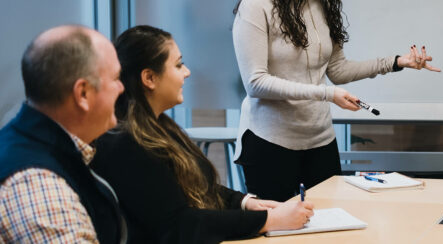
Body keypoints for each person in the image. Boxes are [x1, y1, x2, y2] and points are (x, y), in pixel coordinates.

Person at [232, 0, 441, 201]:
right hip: (270, 143)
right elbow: (256, 83)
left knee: (331, 225)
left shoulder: (320, 4)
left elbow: (338, 70)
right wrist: (328, 94)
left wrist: (396, 62)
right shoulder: (256, 4)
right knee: (277, 232)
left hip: (320, 141)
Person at [92, 25, 313, 244]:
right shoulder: (126, 143)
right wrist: (268, 220)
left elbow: (197, 184)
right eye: (178, 65)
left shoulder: (158, 126)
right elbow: (180, 224)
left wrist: (245, 202)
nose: (187, 72)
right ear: (149, 78)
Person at [0, 25, 126, 243]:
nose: (122, 88)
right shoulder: (37, 185)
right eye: (115, 78)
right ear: (83, 93)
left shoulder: (32, 141)